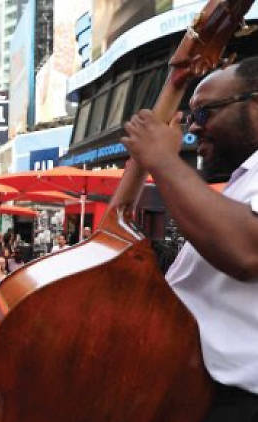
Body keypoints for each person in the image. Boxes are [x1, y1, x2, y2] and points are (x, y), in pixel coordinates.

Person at [121, 57, 258, 422]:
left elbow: (245, 251)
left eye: (205, 112)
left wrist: (163, 160)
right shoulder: (240, 182)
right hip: (194, 391)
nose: (194, 128)